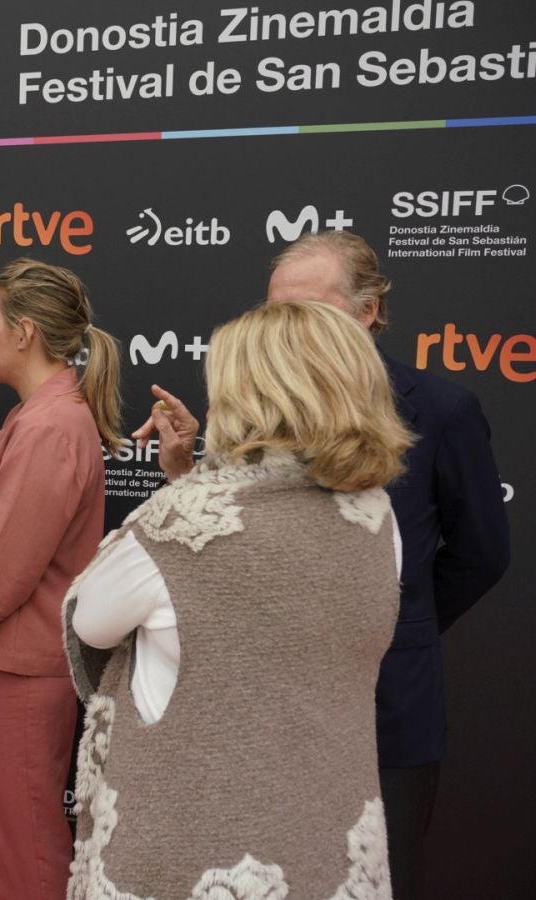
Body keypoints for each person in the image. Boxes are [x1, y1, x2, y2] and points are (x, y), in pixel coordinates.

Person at [139, 231, 511, 899]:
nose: (284, 329)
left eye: (307, 308)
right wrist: (184, 473)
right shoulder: (244, 412)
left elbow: (480, 552)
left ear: (366, 311)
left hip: (385, 710)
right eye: (275, 308)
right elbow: (229, 546)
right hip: (258, 710)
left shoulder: (442, 410)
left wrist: (384, 622)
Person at [63, 300, 414, 898]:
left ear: (248, 396)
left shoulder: (175, 527)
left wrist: (187, 492)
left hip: (187, 845)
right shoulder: (377, 517)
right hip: (323, 843)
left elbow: (92, 622)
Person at [0, 258, 124, 900]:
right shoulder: (40, 414)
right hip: (21, 659)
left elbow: (5, 563)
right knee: (18, 831)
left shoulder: (50, 425)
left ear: (26, 332)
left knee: (27, 837)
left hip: (27, 668)